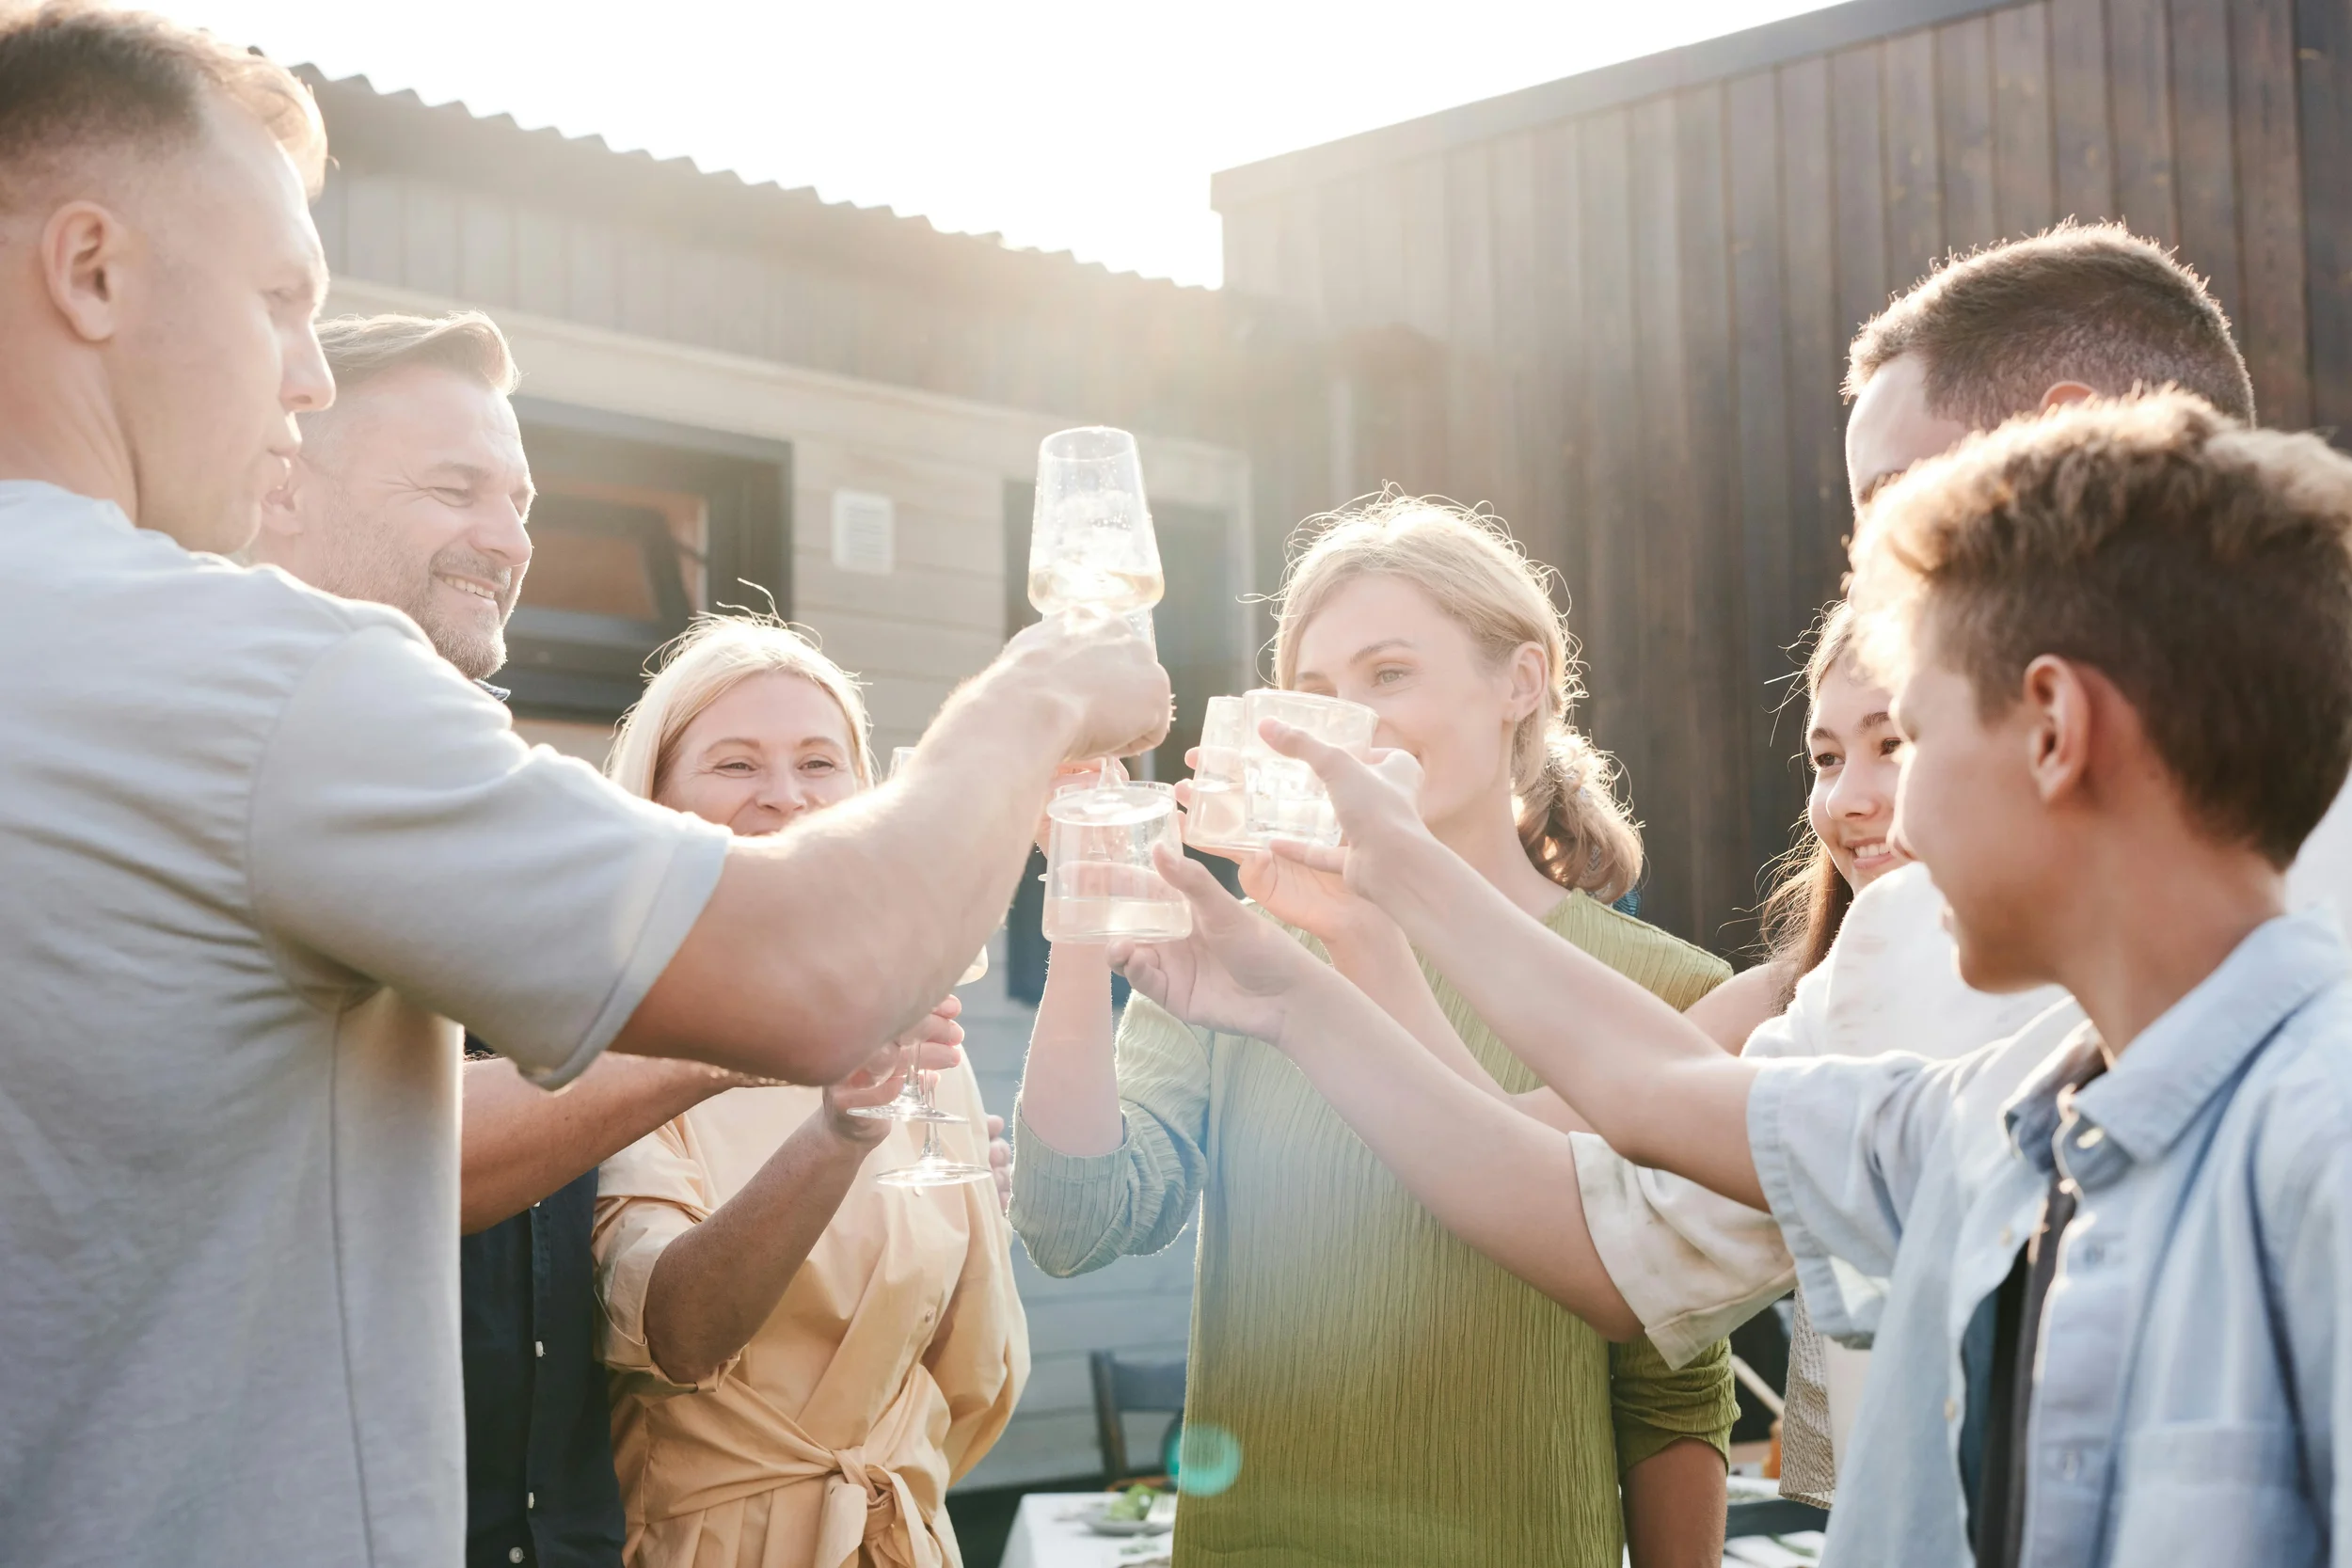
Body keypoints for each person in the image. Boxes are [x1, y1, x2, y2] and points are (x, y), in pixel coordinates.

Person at [0, 9, 1168, 1564]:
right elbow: (825, 968)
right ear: (91, 272)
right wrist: (1046, 685)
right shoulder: (262, 673)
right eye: (282, 301)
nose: (300, 379)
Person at [1126, 390, 2352, 1568]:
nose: (1874, 808)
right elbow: (1650, 1089)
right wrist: (1305, 973)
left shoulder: (2320, 1152)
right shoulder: (1988, 1116)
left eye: (1912, 735)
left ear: (2052, 728)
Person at [245, 310, 1009, 1568]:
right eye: (454, 486)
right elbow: (400, 1161)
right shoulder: (263, 751)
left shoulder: (491, 834)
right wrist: (788, 1040)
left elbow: (972, 1362)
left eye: (521, 497)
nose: (508, 535)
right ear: (280, 483)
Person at [1012, 498, 1739, 1568]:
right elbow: (1074, 1223)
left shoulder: (1671, 990)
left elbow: (1673, 1381)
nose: (1343, 723)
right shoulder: (1239, 953)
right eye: (1313, 692)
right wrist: (1086, 880)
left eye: (1388, 674)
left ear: (1520, 682)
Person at [592, 618, 1026, 1568]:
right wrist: (838, 1136)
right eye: (735, 764)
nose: (784, 797)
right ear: (656, 801)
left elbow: (972, 1366)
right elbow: (677, 1326)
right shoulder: (609, 1026)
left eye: (819, 763)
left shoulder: (916, 1023)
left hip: (899, 1533)